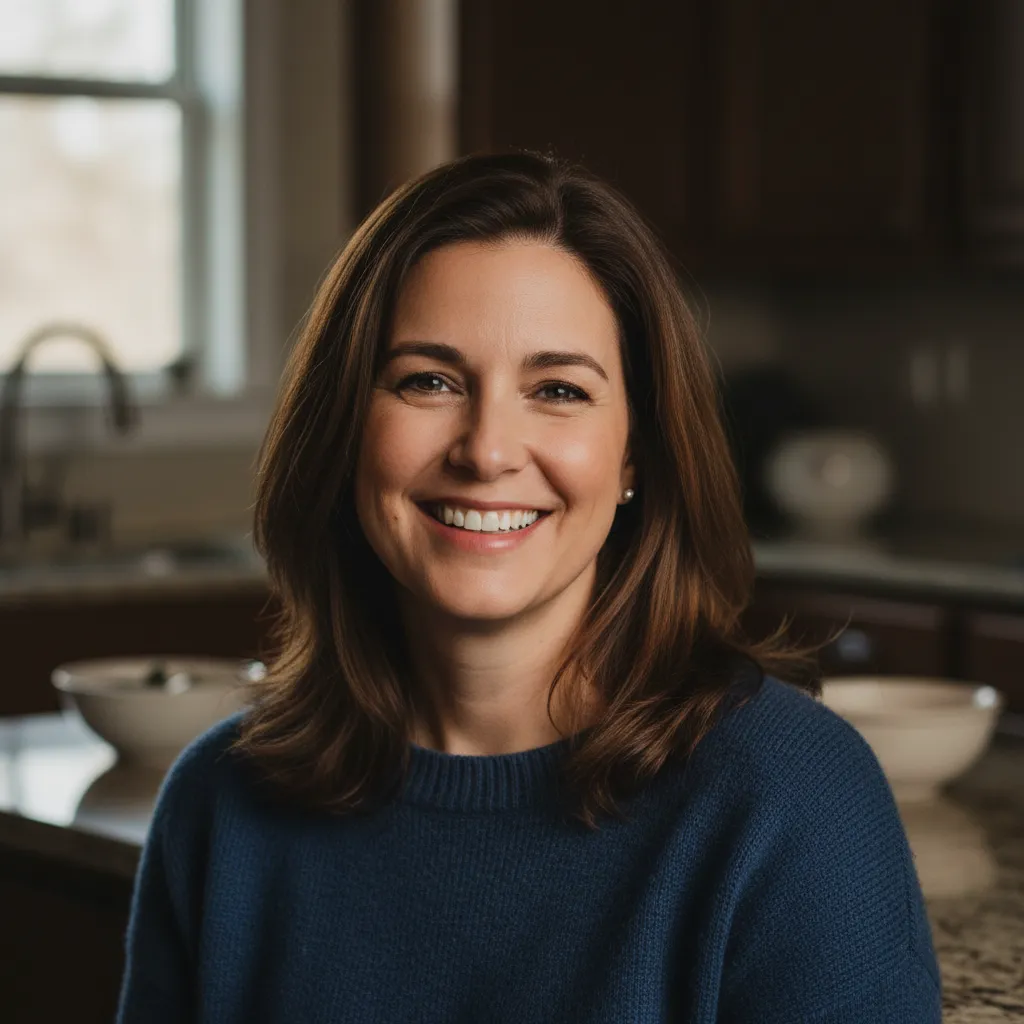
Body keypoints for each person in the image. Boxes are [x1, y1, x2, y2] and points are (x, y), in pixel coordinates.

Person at [115, 151, 942, 1023]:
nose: (488, 449)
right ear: (345, 429)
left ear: (635, 455)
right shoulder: (222, 803)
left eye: (558, 389)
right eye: (428, 381)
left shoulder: (794, 803)